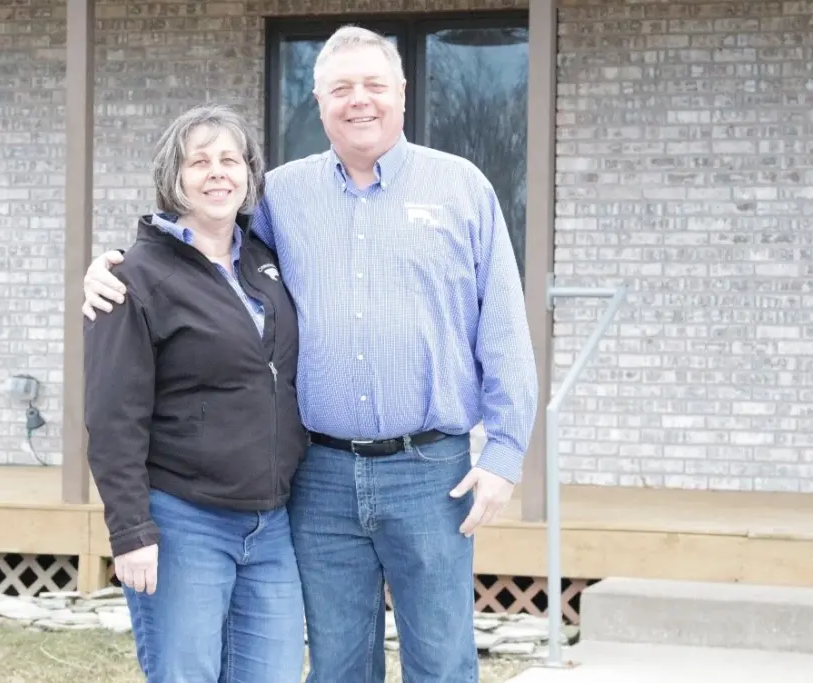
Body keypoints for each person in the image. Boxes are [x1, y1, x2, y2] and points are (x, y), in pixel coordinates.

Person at [83, 26, 538, 683]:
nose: (360, 100)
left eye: (374, 85)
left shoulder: (460, 188)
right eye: (341, 88)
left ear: (402, 94)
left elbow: (503, 327)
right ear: (319, 102)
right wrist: (108, 266)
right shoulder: (281, 198)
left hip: (430, 470)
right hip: (318, 477)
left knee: (441, 660)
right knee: (338, 664)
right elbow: (201, 243)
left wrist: (504, 451)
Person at [82, 103, 309, 683]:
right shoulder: (133, 279)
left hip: (270, 524)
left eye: (230, 159)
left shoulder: (266, 261)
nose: (217, 173)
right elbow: (114, 419)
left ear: (250, 174)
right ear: (172, 178)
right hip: (184, 522)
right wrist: (130, 532)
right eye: (199, 161)